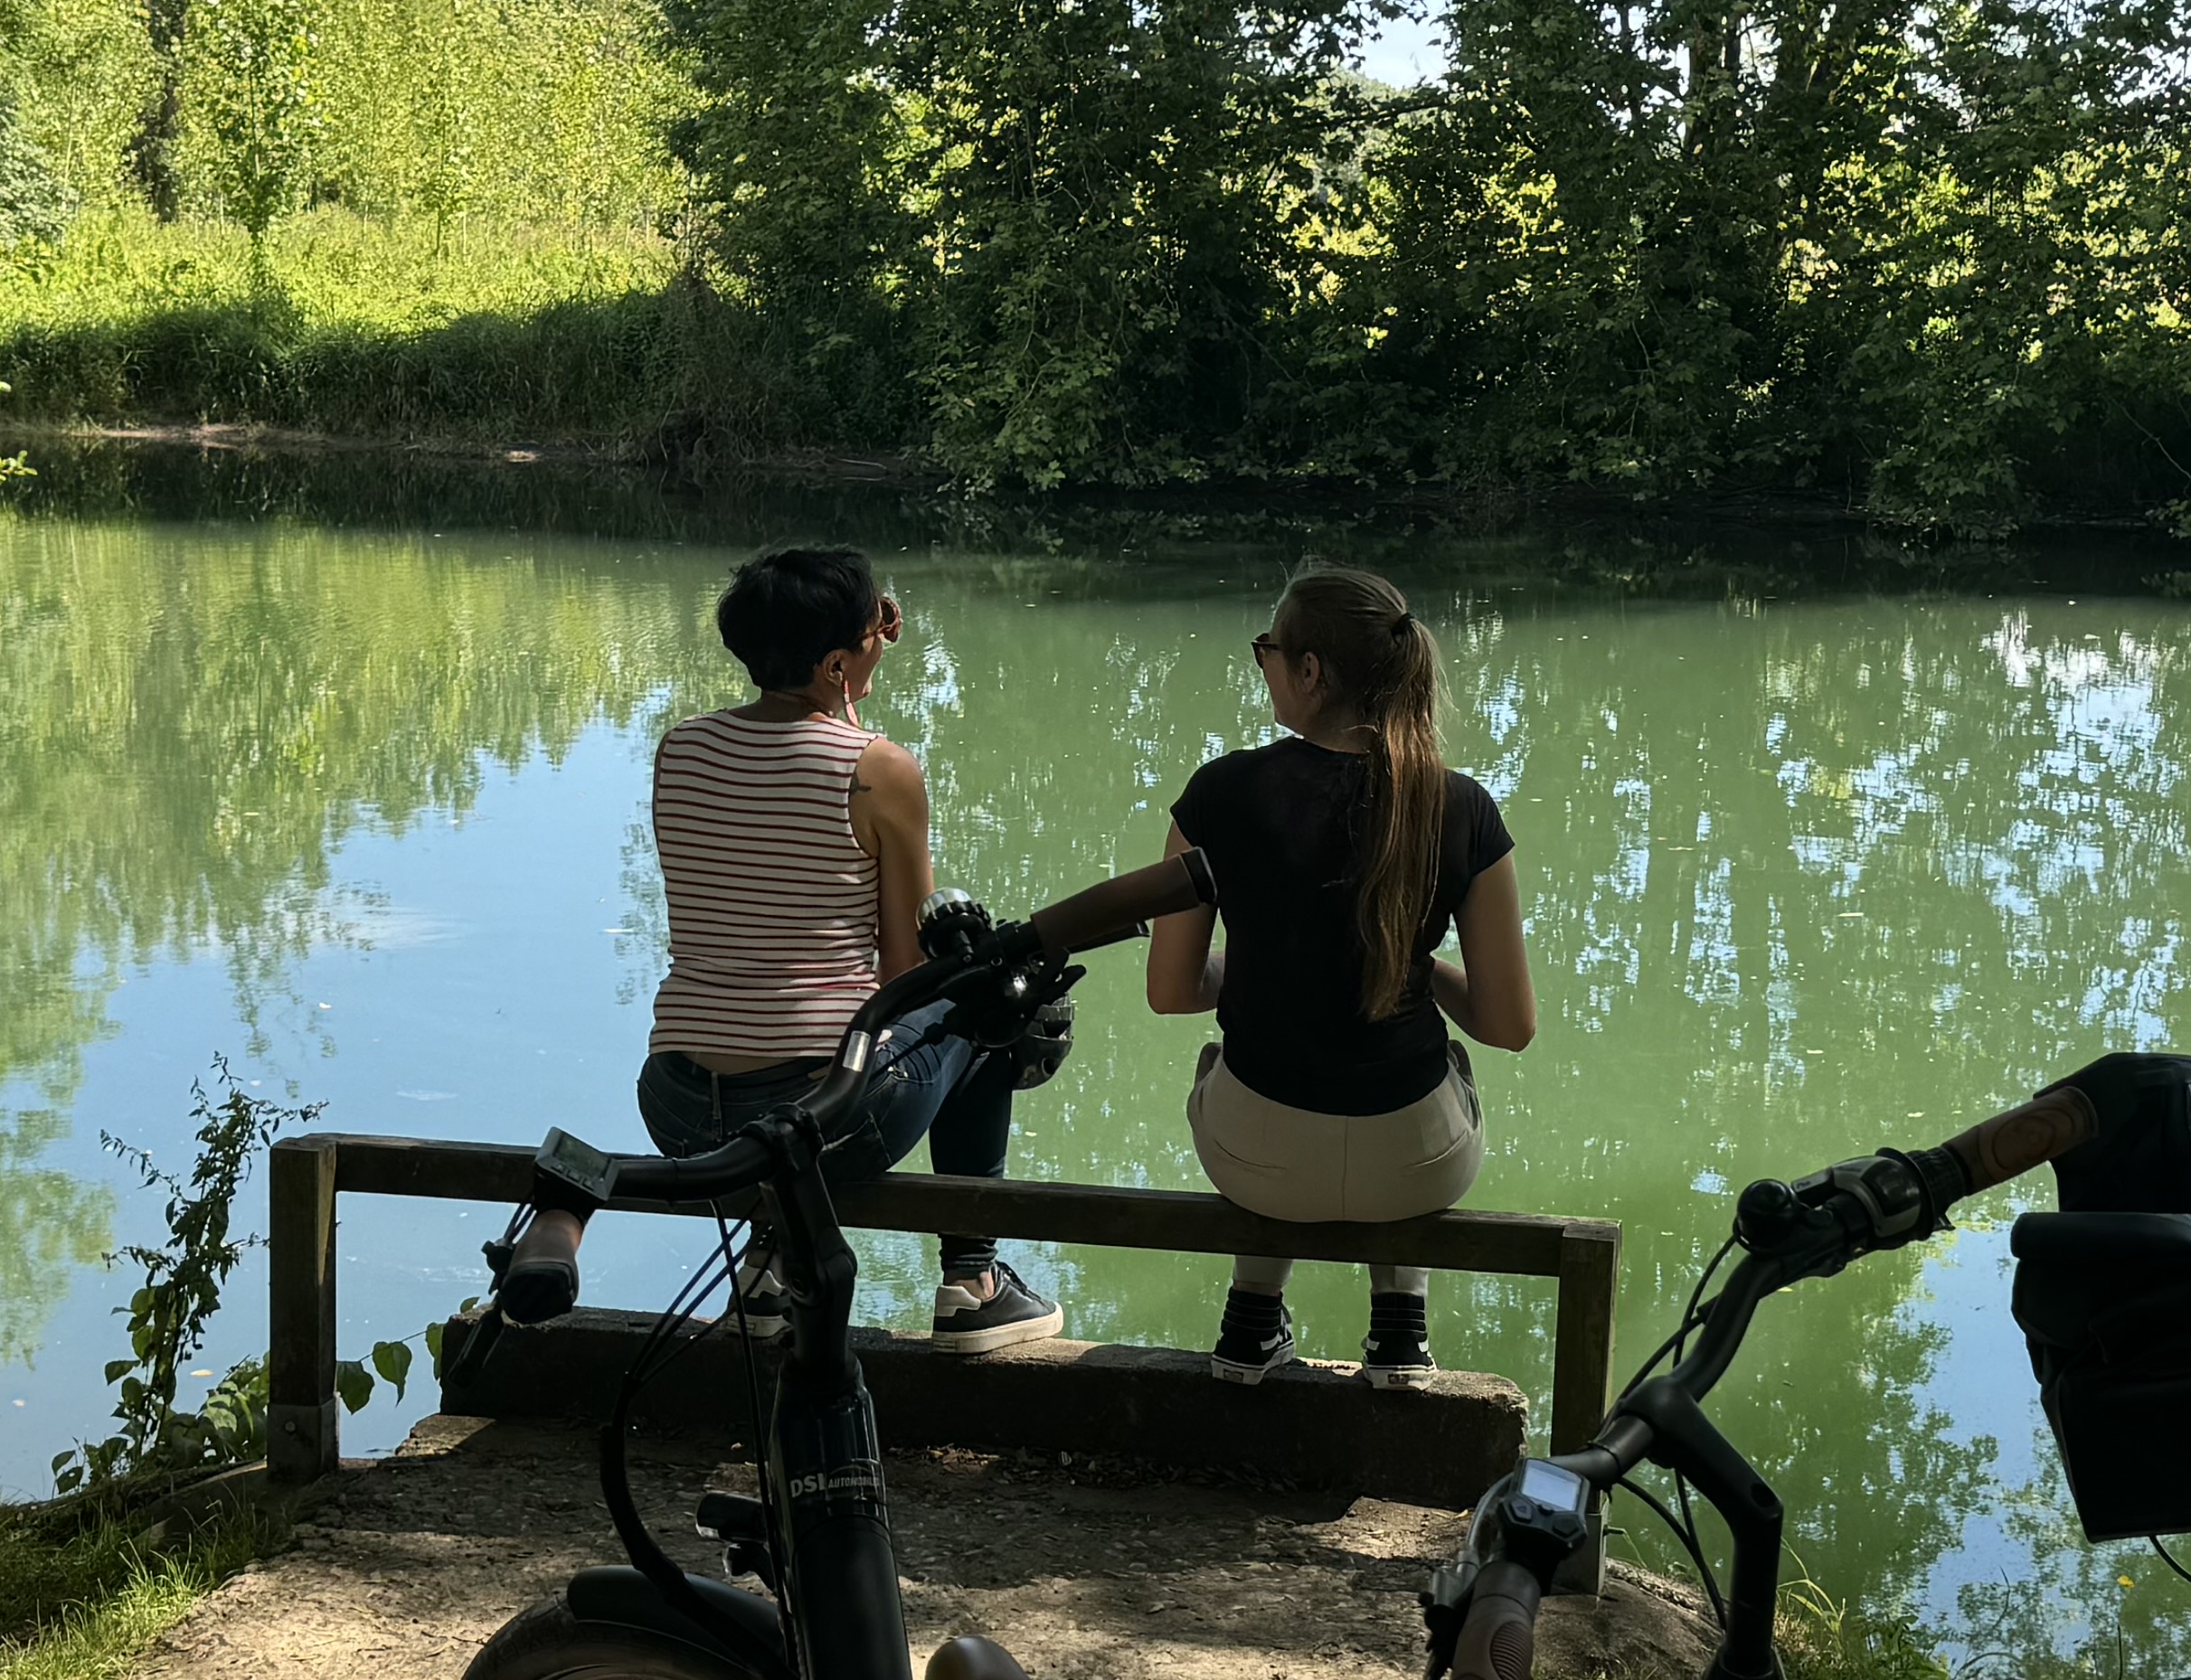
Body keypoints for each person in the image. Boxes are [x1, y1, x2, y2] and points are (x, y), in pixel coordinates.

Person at [492, 545, 1061, 1341]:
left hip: (681, 1111)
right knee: (989, 1008)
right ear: (837, 661)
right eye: (872, 634)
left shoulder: (681, 750)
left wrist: (842, 681)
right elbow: (906, 972)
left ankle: (766, 1272)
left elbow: (793, 797)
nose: (880, 643)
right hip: (823, 1124)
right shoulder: (881, 771)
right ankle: (975, 1281)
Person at [1146, 564, 1538, 1372]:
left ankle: (1251, 1318)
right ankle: (1400, 1328)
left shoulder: (1220, 795)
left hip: (1259, 1166)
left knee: (1229, 1061)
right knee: (1443, 1062)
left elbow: (1171, 990)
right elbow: (1508, 1025)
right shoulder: (1461, 806)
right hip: (1416, 1168)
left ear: (1311, 672)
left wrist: (1261, 966)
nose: (1263, 664)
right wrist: (1411, 969)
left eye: (1268, 649)